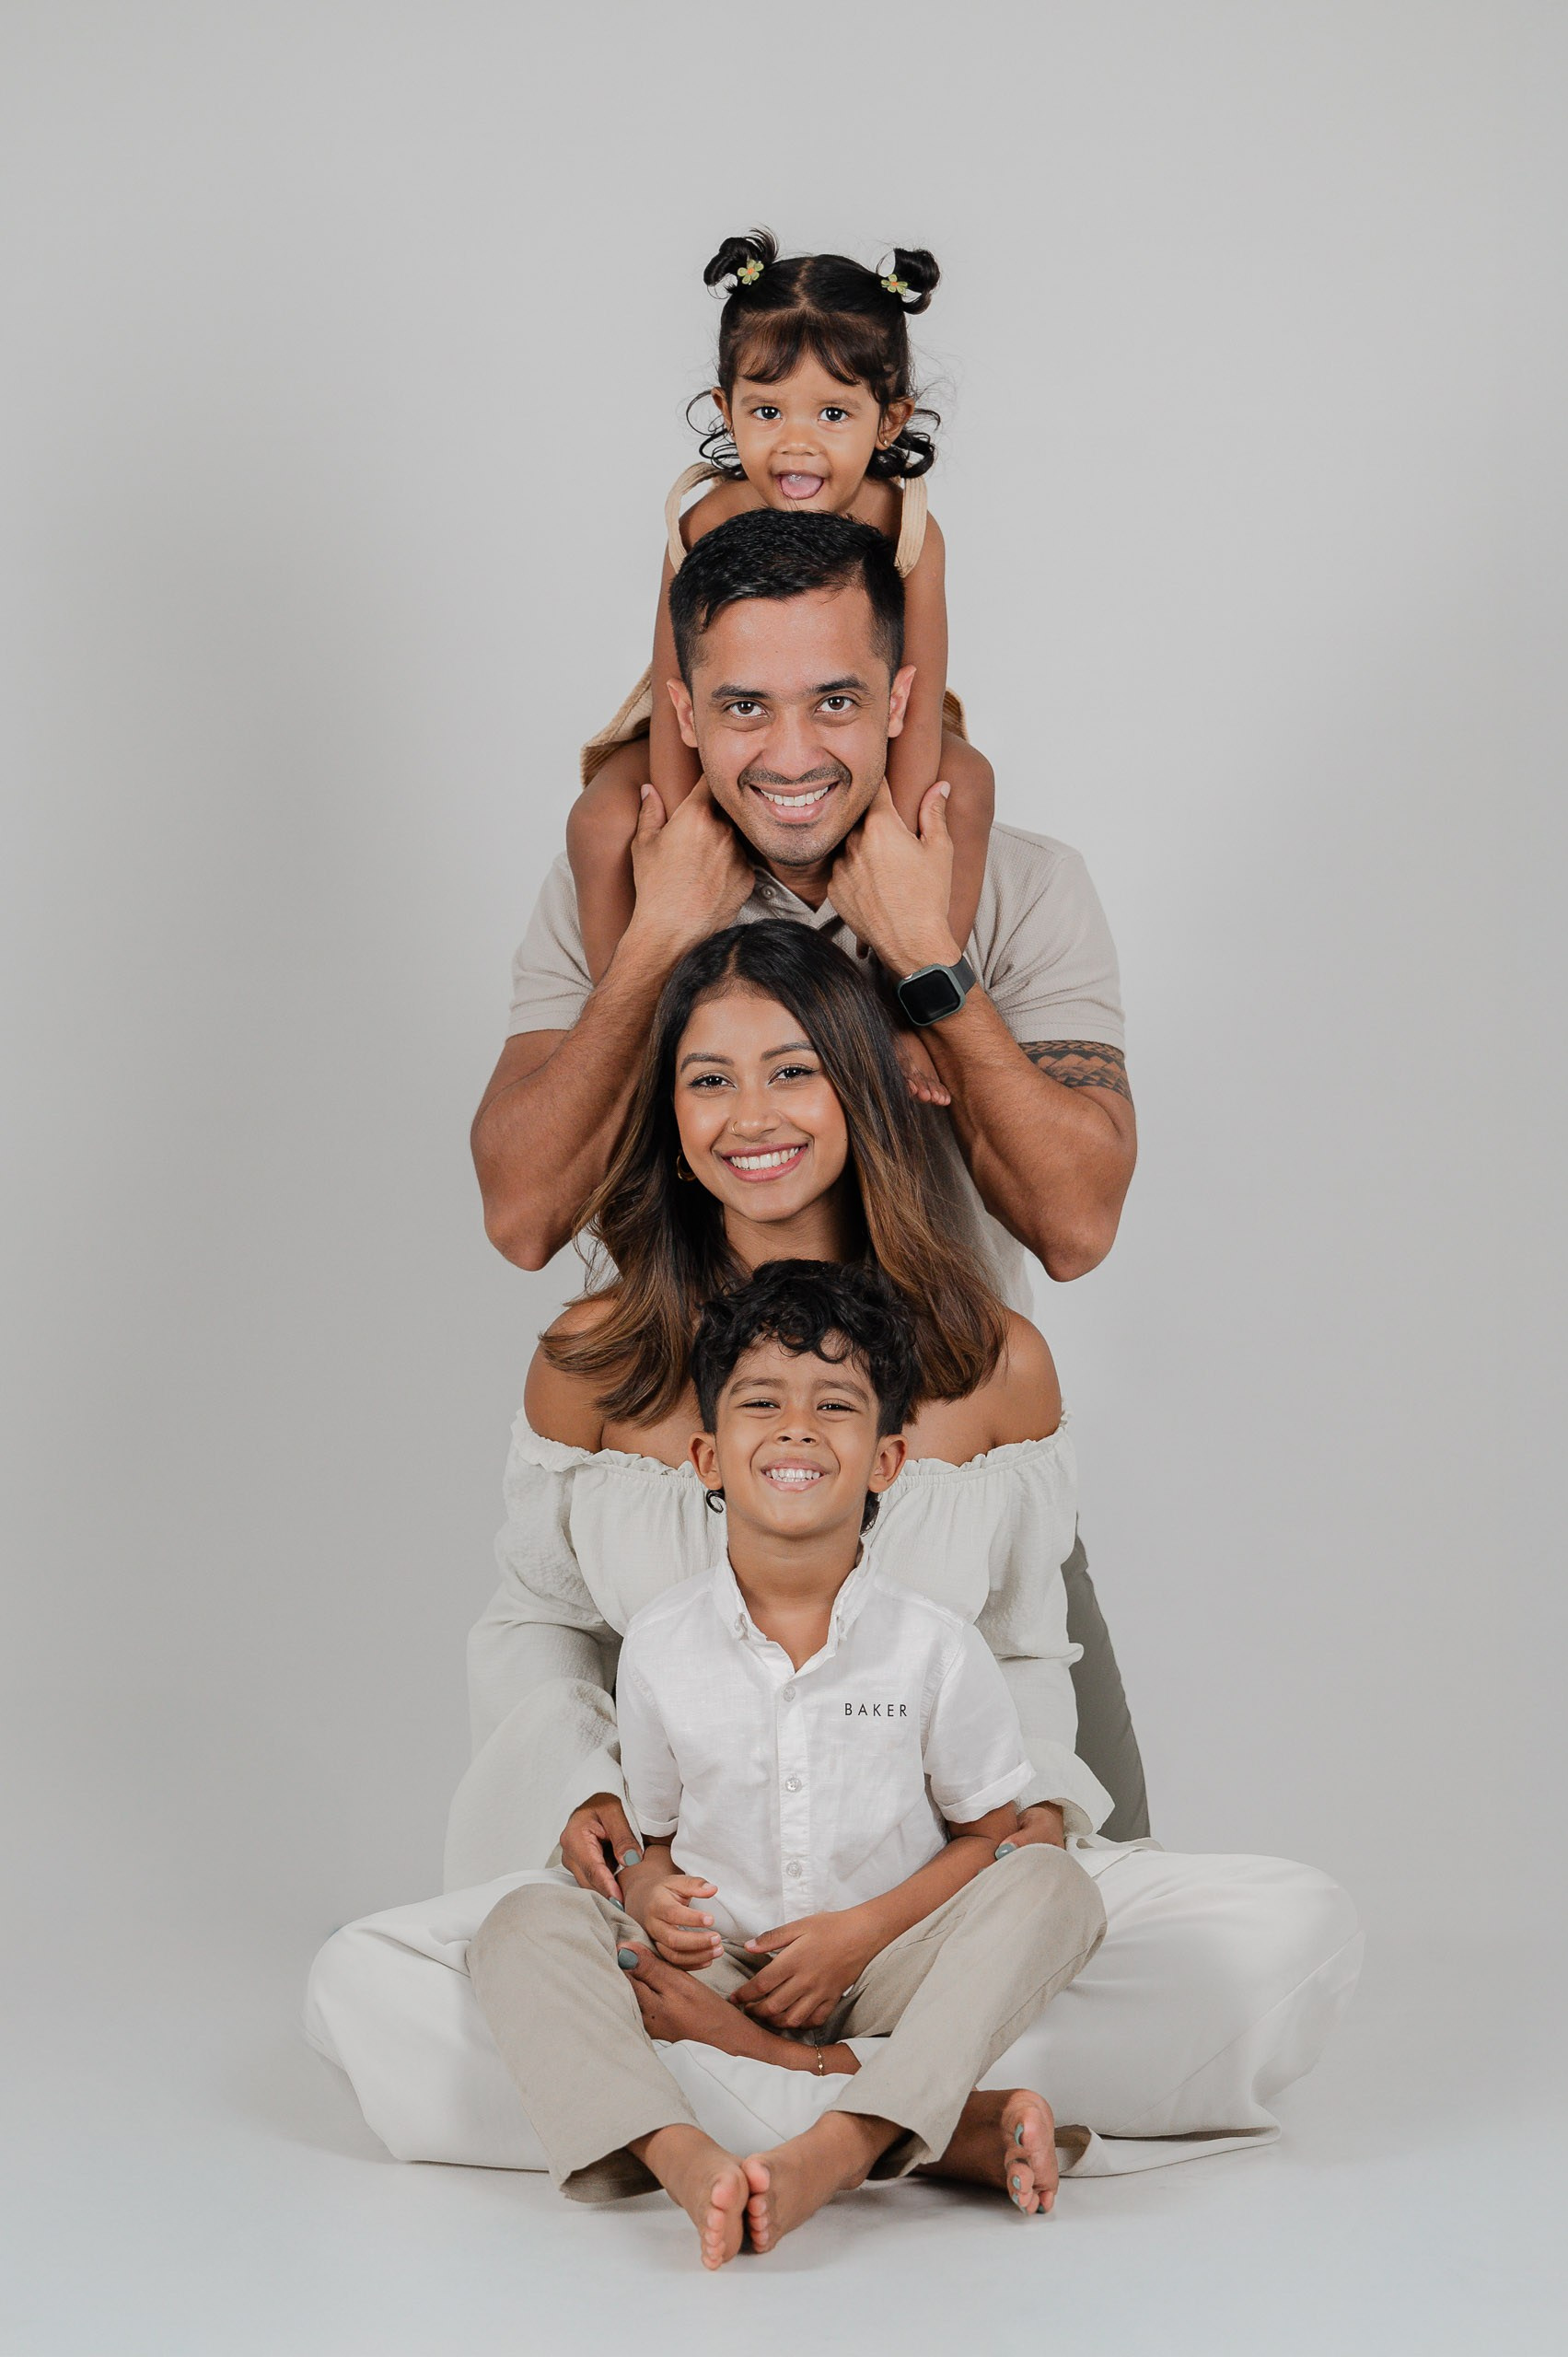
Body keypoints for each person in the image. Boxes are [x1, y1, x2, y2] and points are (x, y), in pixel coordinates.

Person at [309, 923, 1359, 2181]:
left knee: (1288, 1933)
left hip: (920, 1911)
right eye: (708, 1078)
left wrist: (1006, 1831)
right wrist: (580, 1797)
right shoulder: (588, 1359)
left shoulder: (993, 1364)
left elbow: (1023, 1647)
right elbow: (536, 1618)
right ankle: (930, 2110)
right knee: (363, 1985)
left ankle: (736, 2091)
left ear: (863, 1091)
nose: (750, 1115)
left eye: (794, 1070)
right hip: (683, 1915)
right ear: (670, 1119)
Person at [473, 500, 1150, 1836]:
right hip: (686, 1489)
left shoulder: (1020, 888)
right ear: (684, 709)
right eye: (742, 708)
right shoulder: (620, 884)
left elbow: (1074, 1222)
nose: (790, 754)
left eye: (834, 700)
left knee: (1074, 1887)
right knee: (662, 1903)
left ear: (900, 700)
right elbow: (523, 1210)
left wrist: (924, 955)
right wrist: (656, 941)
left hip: (950, 1467)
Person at [467, 1263, 1106, 2266]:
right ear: (706, 1456)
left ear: (887, 1460)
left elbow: (988, 1838)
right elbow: (657, 1840)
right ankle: (685, 2155)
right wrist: (651, 1890)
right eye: (761, 1403)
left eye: (835, 1406)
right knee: (521, 1926)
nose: (797, 1429)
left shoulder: (935, 1646)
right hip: (718, 1970)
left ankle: (834, 2136)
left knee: (1055, 1887)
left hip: (891, 1962)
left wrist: (858, 1935)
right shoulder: (662, 1644)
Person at [570, 228, 994, 990]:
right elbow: (676, 691)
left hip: (869, 717)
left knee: (963, 787)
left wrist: (888, 832)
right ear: (725, 409)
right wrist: (687, 828)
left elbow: (919, 692)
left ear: (888, 420)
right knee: (601, 820)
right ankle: (635, 1005)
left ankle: (917, 990)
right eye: (767, 412)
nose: (796, 444)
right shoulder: (703, 521)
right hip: (717, 720)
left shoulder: (908, 528)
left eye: (832, 415)